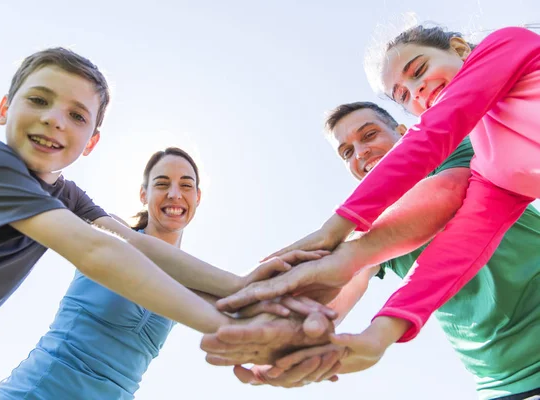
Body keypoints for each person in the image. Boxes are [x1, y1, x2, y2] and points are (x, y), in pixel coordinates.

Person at [0, 47, 332, 364]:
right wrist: (226, 328)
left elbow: (133, 242)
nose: (54, 119)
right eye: (39, 99)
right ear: (4, 108)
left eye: (77, 115)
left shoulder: (67, 196)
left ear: (92, 142)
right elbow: (96, 250)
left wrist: (245, 288)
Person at [215, 25, 540, 347]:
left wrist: (337, 229)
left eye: (420, 70)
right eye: (404, 96)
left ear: (459, 48)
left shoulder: (506, 47)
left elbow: (437, 143)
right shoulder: (493, 169)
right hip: (502, 373)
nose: (418, 92)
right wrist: (358, 334)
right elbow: (455, 251)